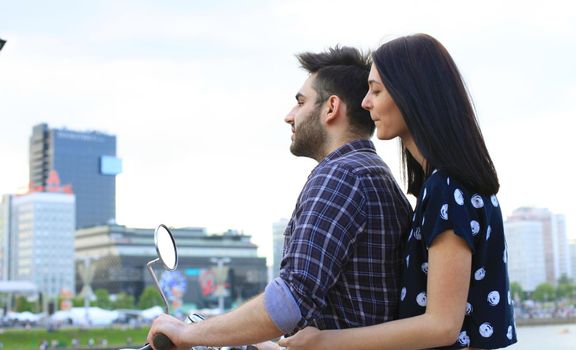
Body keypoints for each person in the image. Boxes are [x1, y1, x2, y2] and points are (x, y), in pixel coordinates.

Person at [147, 46, 412, 349]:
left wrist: (189, 334)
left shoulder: (340, 176)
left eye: (300, 102)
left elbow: (292, 298)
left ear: (331, 107)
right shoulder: (377, 174)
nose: (289, 116)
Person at [278, 33, 518, 350]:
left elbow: (442, 326)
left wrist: (323, 341)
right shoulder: (451, 184)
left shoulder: (447, 188)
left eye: (376, 90)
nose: (365, 102)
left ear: (411, 95)